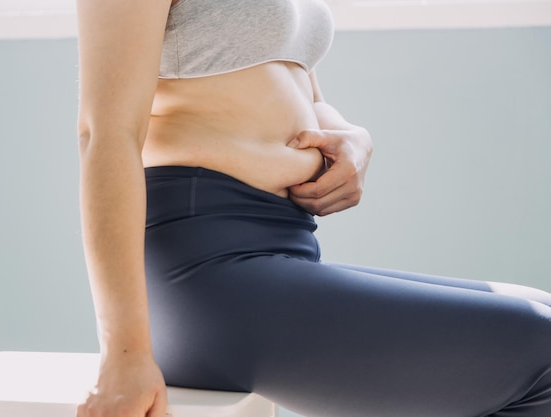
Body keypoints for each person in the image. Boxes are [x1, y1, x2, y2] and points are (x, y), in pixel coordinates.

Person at [74, 0, 551, 416]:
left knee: (537, 306)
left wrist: (353, 139)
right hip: (202, 268)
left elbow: (305, 94)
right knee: (540, 341)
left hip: (282, 246)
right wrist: (123, 355)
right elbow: (105, 133)